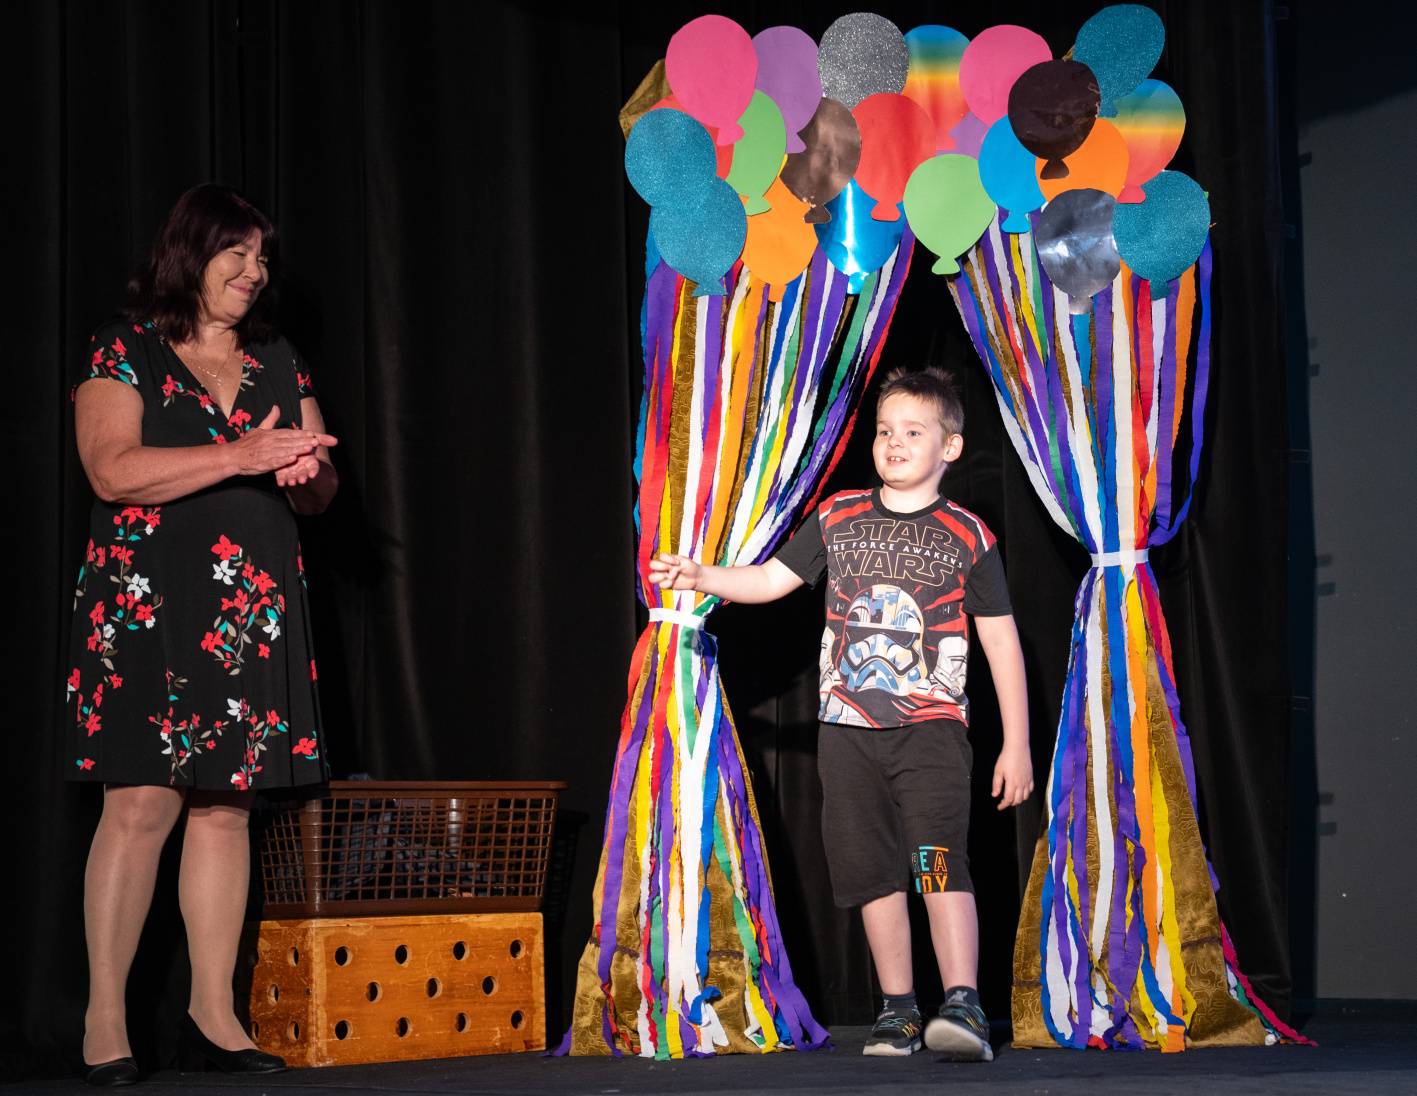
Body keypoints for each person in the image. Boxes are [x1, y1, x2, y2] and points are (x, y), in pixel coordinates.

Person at [650, 366, 1032, 1061]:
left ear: (949, 447)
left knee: (936, 861)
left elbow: (1000, 639)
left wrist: (1017, 744)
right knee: (870, 872)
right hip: (847, 737)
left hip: (931, 733)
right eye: (884, 431)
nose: (894, 443)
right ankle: (898, 1010)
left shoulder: (967, 534)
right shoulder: (838, 515)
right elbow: (770, 579)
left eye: (912, 432)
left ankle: (963, 1005)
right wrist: (703, 577)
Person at [66, 184, 338, 1085]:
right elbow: (111, 472)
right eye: (237, 253)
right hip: (147, 606)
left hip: (248, 610)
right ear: (192, 251)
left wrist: (302, 472)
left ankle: (213, 1018)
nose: (254, 272)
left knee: (226, 808)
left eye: (262, 258)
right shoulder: (125, 348)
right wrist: (240, 455)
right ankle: (106, 1023)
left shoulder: (277, 358)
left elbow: (319, 493)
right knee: (142, 805)